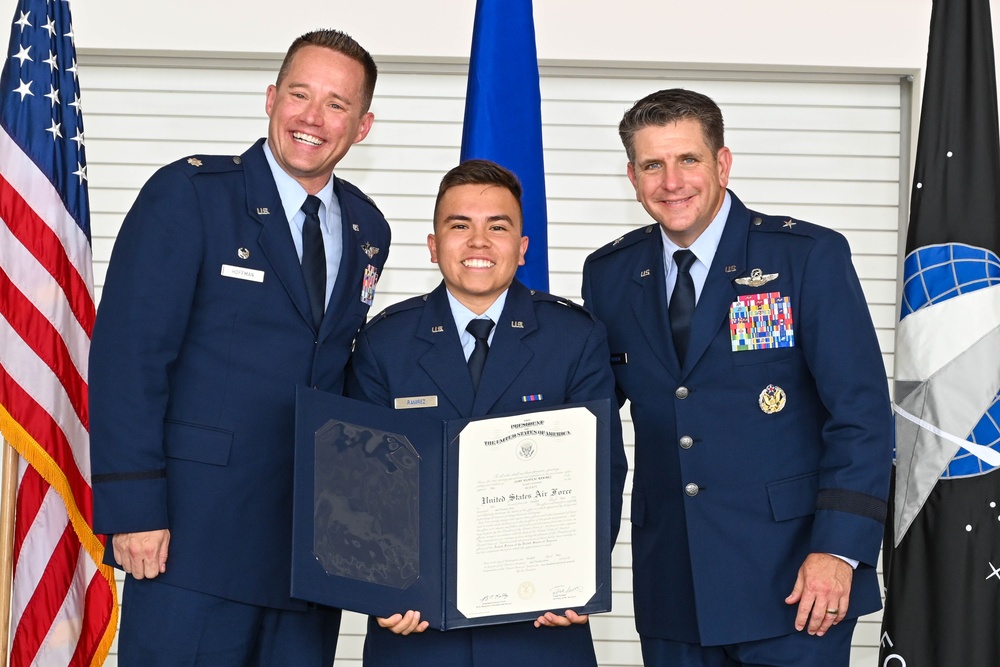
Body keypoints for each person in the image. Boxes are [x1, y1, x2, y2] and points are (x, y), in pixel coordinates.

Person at [88, 29, 390, 666]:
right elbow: (129, 358)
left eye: (336, 104)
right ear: (271, 97)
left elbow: (338, 371)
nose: (312, 117)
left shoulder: (368, 228)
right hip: (192, 538)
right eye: (300, 94)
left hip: (309, 549)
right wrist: (135, 508)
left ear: (361, 127)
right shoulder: (192, 195)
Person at [581, 89, 893, 667]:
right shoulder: (610, 274)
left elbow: (862, 416)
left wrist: (838, 551)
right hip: (674, 582)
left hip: (796, 583)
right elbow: (588, 427)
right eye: (653, 164)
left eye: (688, 160)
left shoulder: (805, 256)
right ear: (632, 176)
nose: (671, 182)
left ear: (722, 163)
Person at [346, 159, 628, 666]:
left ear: (522, 249)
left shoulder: (575, 338)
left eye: (497, 227)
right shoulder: (384, 341)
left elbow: (601, 469)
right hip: (417, 627)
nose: (479, 242)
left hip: (539, 627)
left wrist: (578, 579)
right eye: (460, 226)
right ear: (434, 246)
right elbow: (361, 479)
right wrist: (380, 587)